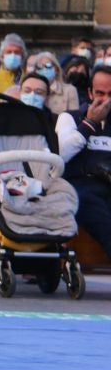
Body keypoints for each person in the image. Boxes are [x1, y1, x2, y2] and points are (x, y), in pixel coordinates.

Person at [59, 65, 111, 259]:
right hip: (83, 185)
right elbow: (60, 155)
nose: (106, 100)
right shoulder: (70, 118)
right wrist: (90, 124)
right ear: (89, 92)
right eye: (100, 93)